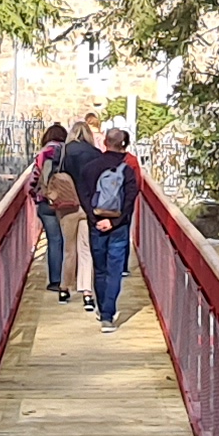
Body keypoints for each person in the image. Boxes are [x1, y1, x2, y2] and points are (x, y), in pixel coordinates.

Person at [86, 123, 141, 323]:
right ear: (123, 144)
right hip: (119, 226)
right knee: (115, 269)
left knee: (99, 268)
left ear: (105, 143)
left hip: (95, 224)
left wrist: (95, 219)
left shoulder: (90, 167)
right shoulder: (127, 169)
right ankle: (108, 315)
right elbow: (131, 197)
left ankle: (102, 309)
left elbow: (84, 197)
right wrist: (115, 221)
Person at [52, 114, 106, 301]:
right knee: (86, 248)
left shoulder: (64, 151)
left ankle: (65, 288)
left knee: (68, 248)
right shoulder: (96, 154)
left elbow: (53, 174)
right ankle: (87, 292)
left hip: (67, 205)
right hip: (89, 206)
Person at [31, 121, 77, 297]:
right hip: (67, 202)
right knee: (68, 241)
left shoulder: (43, 153)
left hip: (47, 202)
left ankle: (55, 281)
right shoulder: (69, 152)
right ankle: (70, 280)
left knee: (54, 241)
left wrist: (35, 195)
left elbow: (34, 177)